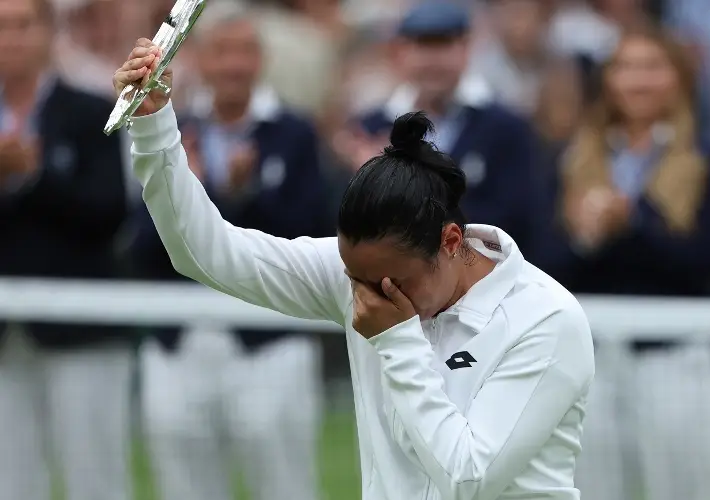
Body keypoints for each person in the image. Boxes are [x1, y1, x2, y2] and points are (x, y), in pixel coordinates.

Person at [114, 36, 595, 500]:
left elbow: (466, 478)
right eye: (355, 276)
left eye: (391, 282)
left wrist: (397, 340)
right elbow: (205, 250)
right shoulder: (364, 276)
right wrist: (156, 127)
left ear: (450, 242)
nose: (367, 297)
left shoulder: (546, 319)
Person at [132, 3, 325, 500]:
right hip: (180, 338)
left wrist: (241, 195)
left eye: (246, 52)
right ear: (202, 59)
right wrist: (185, 183)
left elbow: (311, 232)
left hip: (268, 337)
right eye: (223, 52)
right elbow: (139, 241)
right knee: (184, 485)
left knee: (284, 484)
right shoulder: (167, 124)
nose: (235, 66)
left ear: (261, 61)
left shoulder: (293, 132)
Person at [534, 26, 710, 500]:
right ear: (607, 80)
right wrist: (587, 238)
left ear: (679, 79)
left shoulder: (708, 161)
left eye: (652, 67)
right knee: (590, 488)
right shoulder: (574, 160)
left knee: (687, 488)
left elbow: (700, 266)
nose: (638, 81)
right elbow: (546, 267)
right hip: (591, 356)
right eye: (625, 68)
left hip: (675, 353)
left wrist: (632, 223)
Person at [0, 0, 131, 499]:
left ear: (48, 33)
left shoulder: (92, 110)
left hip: (82, 333)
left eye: (21, 26)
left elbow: (108, 214)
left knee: (94, 479)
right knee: (10, 482)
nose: (10, 38)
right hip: (5, 339)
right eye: (1, 28)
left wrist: (34, 175)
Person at [339, 1, 540, 252]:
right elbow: (345, 226)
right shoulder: (370, 128)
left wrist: (394, 185)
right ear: (400, 52)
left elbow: (514, 221)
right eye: (423, 46)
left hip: (482, 281)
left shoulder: (506, 129)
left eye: (443, 45)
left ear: (466, 48)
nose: (433, 61)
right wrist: (368, 180)